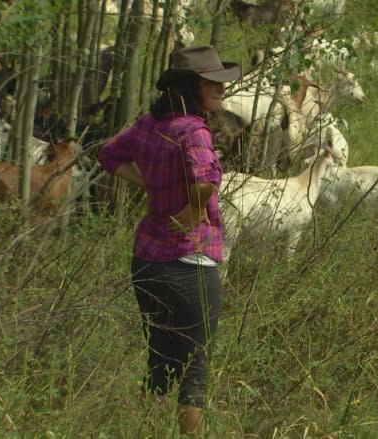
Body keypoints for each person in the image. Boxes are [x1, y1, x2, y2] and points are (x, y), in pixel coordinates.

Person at [98, 45, 239, 436]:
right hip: (189, 262)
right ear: (189, 86)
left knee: (159, 365)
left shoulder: (149, 124)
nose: (222, 88)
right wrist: (194, 210)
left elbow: (108, 154)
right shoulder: (193, 130)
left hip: (147, 262)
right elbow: (206, 180)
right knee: (194, 376)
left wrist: (151, 182)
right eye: (212, 81)